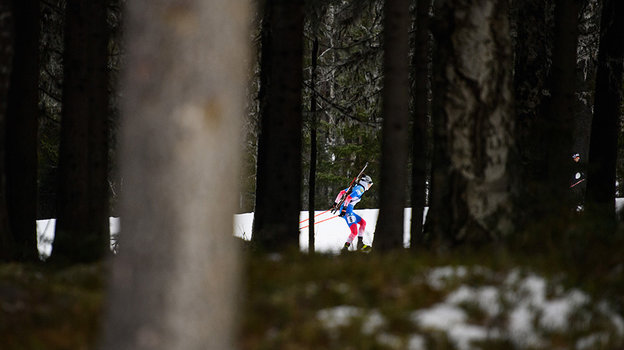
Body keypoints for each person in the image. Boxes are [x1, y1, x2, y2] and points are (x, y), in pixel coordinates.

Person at [332, 174, 373, 252]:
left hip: (348, 210)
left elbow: (341, 192)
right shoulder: (360, 189)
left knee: (363, 223)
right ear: (365, 183)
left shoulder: (356, 187)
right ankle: (345, 248)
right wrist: (344, 209)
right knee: (354, 231)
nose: (369, 186)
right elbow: (349, 197)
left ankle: (359, 244)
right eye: (369, 184)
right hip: (347, 211)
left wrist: (335, 203)